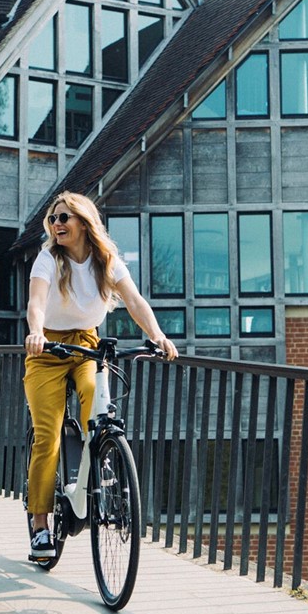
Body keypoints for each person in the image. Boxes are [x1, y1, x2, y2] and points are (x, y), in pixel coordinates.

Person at [23, 192, 178, 559]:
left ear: (83, 222)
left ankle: (102, 464)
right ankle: (40, 526)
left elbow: (135, 300)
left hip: (88, 346)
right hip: (46, 351)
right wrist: (36, 332)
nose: (57, 224)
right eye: (53, 219)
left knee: (100, 412)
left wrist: (157, 336)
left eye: (64, 218)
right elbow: (37, 301)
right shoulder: (48, 259)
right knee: (48, 436)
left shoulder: (105, 261)